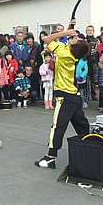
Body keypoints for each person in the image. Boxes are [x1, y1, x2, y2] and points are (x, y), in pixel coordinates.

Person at [36, 24, 90, 169]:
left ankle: (50, 157)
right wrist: (69, 27)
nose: (75, 37)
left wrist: (65, 32)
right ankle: (91, 150)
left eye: (77, 39)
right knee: (82, 127)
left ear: (74, 46)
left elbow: (47, 38)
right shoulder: (69, 52)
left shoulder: (64, 53)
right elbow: (65, 41)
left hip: (64, 98)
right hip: (74, 96)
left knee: (57, 127)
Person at [85, 26, 98, 100]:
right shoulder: (84, 40)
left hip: (94, 61)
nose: (90, 31)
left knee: (93, 78)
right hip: (85, 60)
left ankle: (94, 94)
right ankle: (85, 95)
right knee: (85, 78)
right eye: (88, 30)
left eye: (91, 30)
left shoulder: (96, 40)